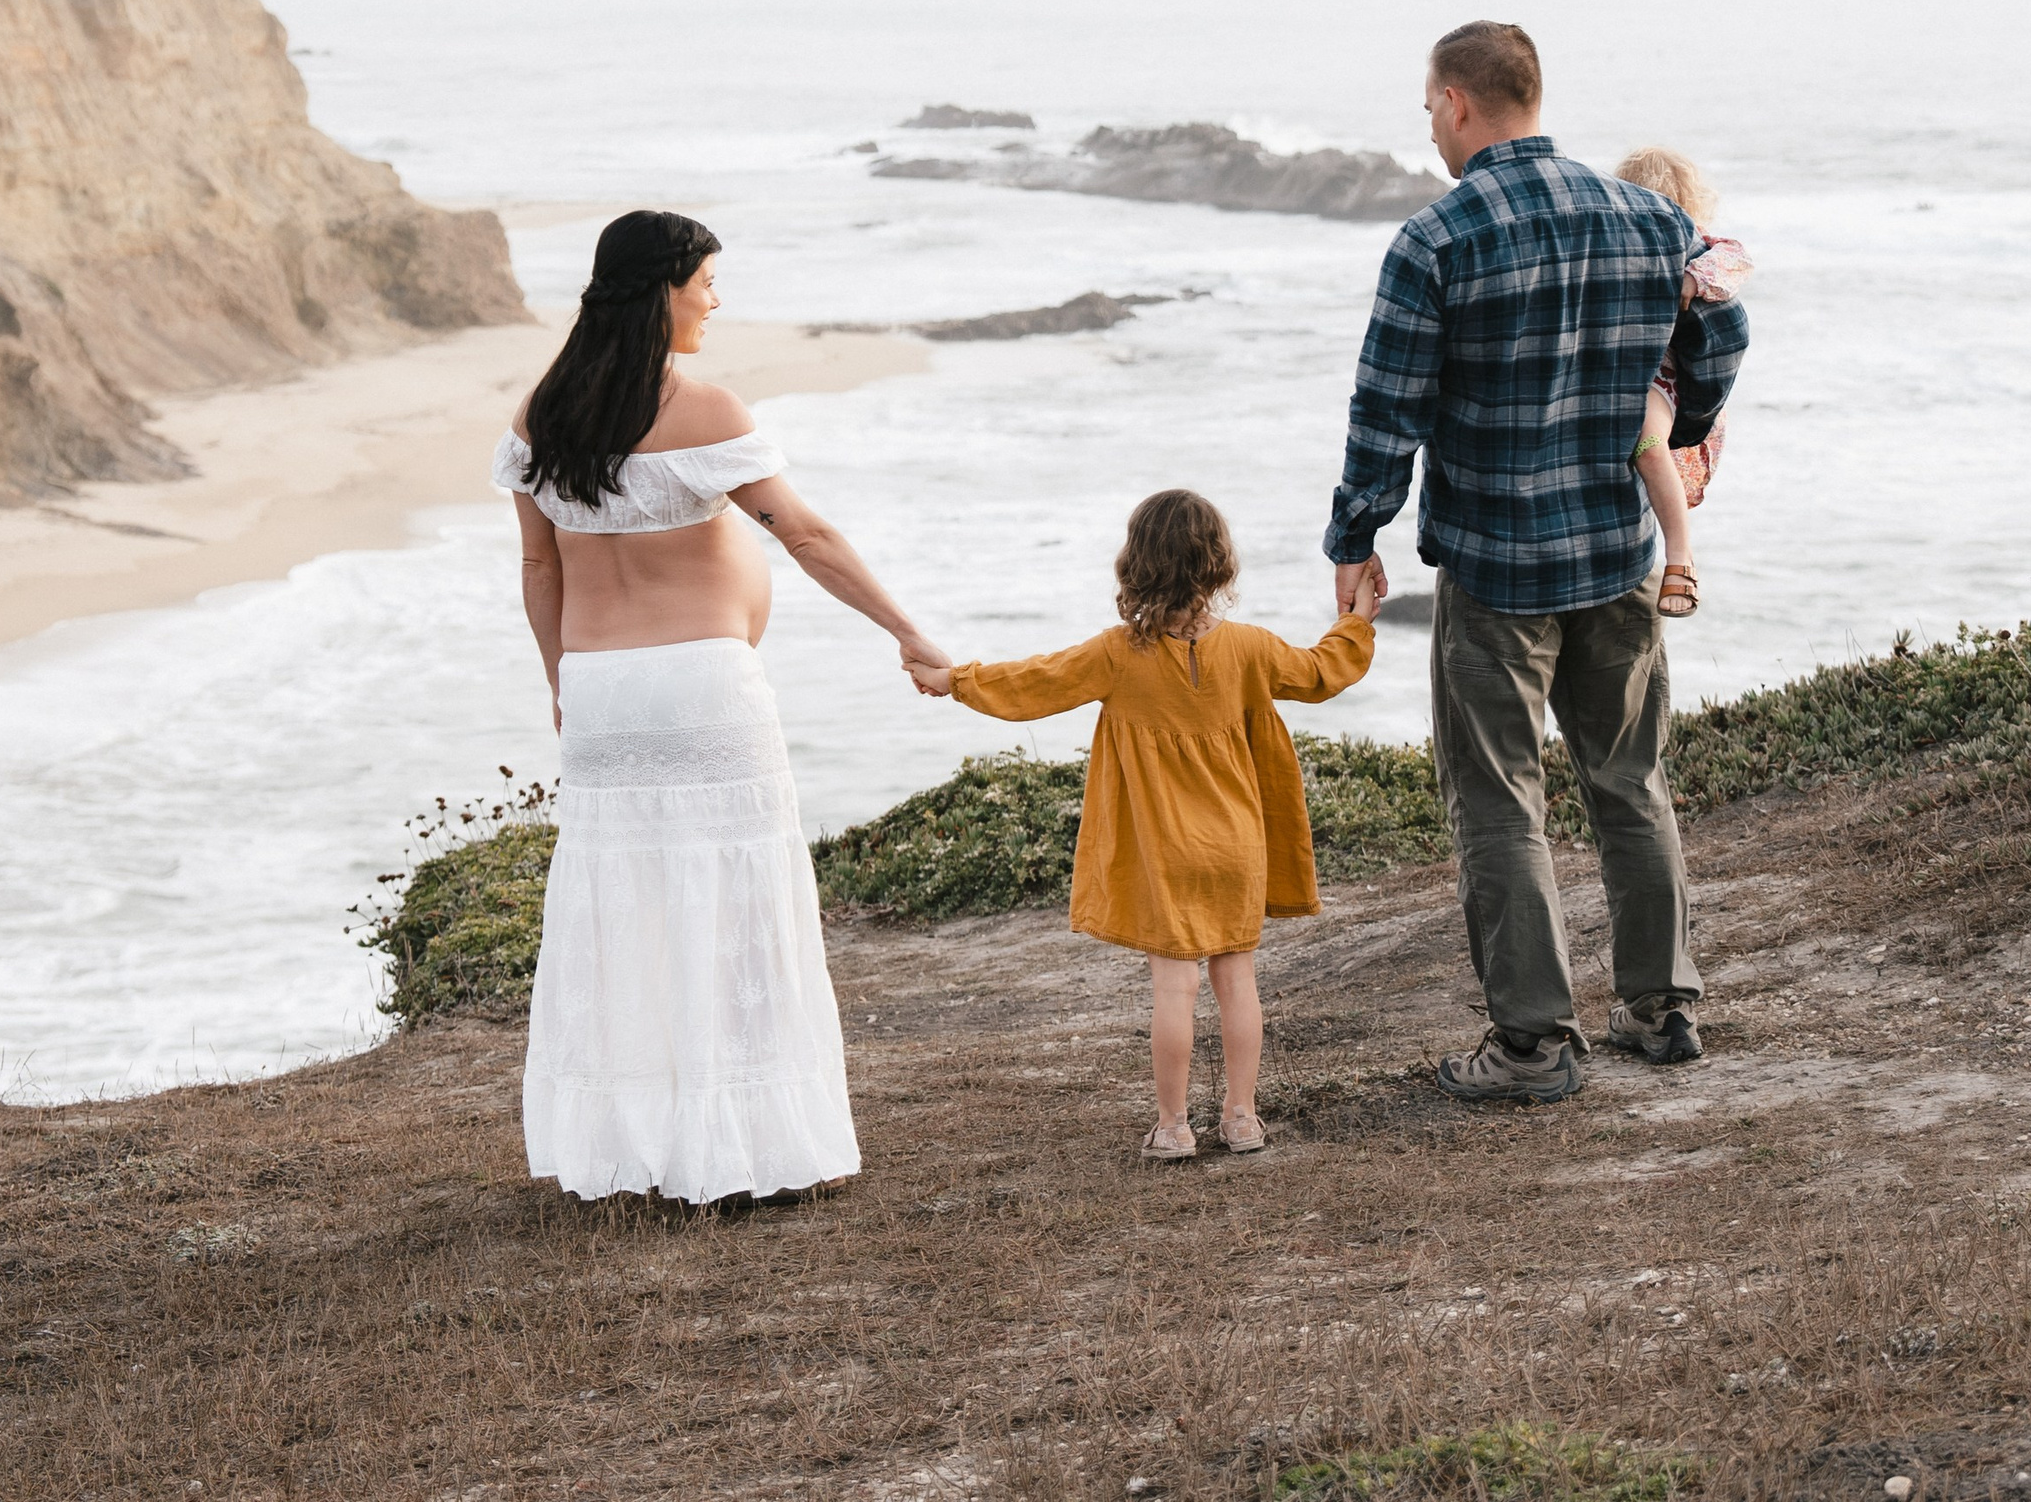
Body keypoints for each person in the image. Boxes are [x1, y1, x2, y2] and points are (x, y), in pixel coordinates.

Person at [1323, 22, 1749, 1104]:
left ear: (1461, 101)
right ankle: (1663, 1009)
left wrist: (1355, 534)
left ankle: (1532, 1043)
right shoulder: (1651, 218)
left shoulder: (1436, 239)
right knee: (1631, 781)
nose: (1427, 123)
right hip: (1616, 554)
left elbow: (1386, 408)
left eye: (1428, 104)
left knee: (1501, 801)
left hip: (1498, 570)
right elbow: (1722, 332)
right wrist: (1677, 418)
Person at [496, 207, 947, 1206]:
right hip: (704, 688)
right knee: (737, 902)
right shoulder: (704, 408)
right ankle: (746, 1147)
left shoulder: (540, 414)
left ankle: (638, 1142)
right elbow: (809, 535)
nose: (714, 298)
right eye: (704, 280)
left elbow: (539, 563)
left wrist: (560, 681)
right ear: (662, 287)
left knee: (630, 909)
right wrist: (907, 631)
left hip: (604, 687)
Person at [909, 489, 1377, 1159]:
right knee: (1237, 983)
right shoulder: (1250, 649)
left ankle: (1174, 1126)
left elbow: (1034, 683)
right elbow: (1323, 670)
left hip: (1166, 853)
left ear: (1135, 566)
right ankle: (1242, 1119)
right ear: (1219, 567)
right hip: (1237, 847)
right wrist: (1355, 618)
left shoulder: (1115, 654)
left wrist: (954, 679)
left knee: (1174, 990)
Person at [1614, 145, 1753, 618]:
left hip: (1664, 377)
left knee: (1649, 446)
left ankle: (1679, 559)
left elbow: (1736, 259)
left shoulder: (1700, 246)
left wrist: (1692, 281)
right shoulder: (1614, 242)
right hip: (1621, 371)